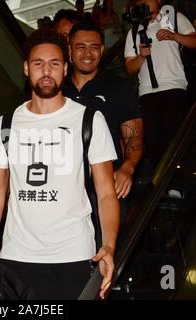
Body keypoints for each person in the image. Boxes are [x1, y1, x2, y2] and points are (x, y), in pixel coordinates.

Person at [0, 29, 120, 300]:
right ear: (25, 68)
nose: (46, 71)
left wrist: (109, 246)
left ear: (65, 68)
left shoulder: (89, 120)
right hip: (15, 257)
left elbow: (105, 192)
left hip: (74, 255)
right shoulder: (4, 125)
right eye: (38, 63)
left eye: (54, 63)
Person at [64, 21, 143, 223]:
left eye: (94, 47)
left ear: (102, 50)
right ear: (70, 50)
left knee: (107, 251)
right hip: (62, 190)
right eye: (81, 47)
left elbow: (133, 137)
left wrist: (127, 168)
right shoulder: (56, 89)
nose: (88, 54)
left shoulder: (118, 87)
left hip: (106, 188)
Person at [124, 0, 196, 170]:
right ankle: (162, 184)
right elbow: (129, 67)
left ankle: (177, 182)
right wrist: (142, 56)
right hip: (147, 91)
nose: (143, 2)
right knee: (154, 141)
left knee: (175, 136)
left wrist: (174, 36)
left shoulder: (173, 18)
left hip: (174, 85)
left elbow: (195, 42)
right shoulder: (134, 31)